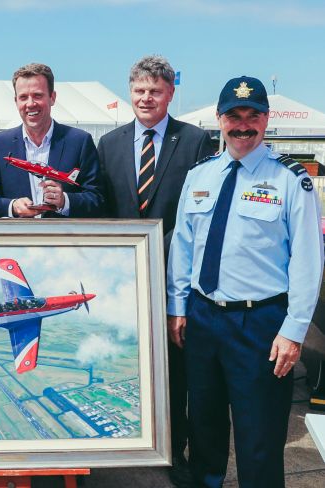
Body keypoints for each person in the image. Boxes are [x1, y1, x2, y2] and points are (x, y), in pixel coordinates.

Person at [167, 76, 324, 487]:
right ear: (220, 120)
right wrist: (178, 307)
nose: (242, 125)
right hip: (202, 318)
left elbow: (308, 262)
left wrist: (292, 332)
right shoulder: (199, 176)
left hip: (260, 325)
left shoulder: (291, 181)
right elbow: (183, 247)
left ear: (266, 120)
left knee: (259, 437)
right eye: (233, 116)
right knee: (204, 426)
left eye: (252, 116)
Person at [97, 55, 213, 488]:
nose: (147, 98)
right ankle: (122, 444)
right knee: (124, 363)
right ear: (130, 93)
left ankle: (175, 453)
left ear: (170, 94)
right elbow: (104, 211)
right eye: (140, 91)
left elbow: (201, 215)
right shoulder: (108, 144)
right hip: (123, 279)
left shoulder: (196, 141)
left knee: (177, 370)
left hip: (175, 278)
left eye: (156, 91)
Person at [0, 62, 104, 218]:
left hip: (64, 241)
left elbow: (98, 199)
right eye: (23, 97)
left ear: (52, 98)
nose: (30, 104)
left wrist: (64, 201)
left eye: (38, 95)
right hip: (19, 240)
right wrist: (12, 207)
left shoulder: (80, 141)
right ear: (16, 101)